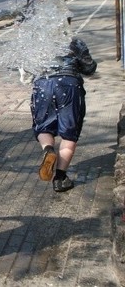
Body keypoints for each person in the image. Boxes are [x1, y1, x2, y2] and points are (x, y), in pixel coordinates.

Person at [33, 36, 97, 192]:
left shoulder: (36, 40)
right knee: (69, 133)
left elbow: (29, 70)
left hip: (43, 83)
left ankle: (48, 150)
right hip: (69, 84)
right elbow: (89, 68)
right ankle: (60, 178)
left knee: (43, 127)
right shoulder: (75, 42)